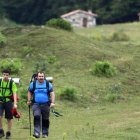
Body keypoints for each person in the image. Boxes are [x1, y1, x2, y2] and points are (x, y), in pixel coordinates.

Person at [27, 71, 55, 138]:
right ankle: (36, 133)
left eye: (42, 76)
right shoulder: (33, 84)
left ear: (44, 77)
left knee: (45, 119)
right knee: (36, 116)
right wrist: (29, 100)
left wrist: (53, 102)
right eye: (39, 76)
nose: (41, 78)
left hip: (46, 104)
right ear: (37, 77)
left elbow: (52, 94)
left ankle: (45, 133)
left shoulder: (48, 84)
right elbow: (29, 92)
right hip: (36, 104)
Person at [0, 69, 18, 139]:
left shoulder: (12, 83)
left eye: (7, 75)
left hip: (8, 102)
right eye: (4, 75)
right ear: (2, 75)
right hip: (0, 101)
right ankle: (1, 131)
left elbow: (14, 93)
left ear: (9, 76)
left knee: (9, 118)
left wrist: (15, 103)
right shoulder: (0, 81)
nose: (5, 76)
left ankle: (8, 132)